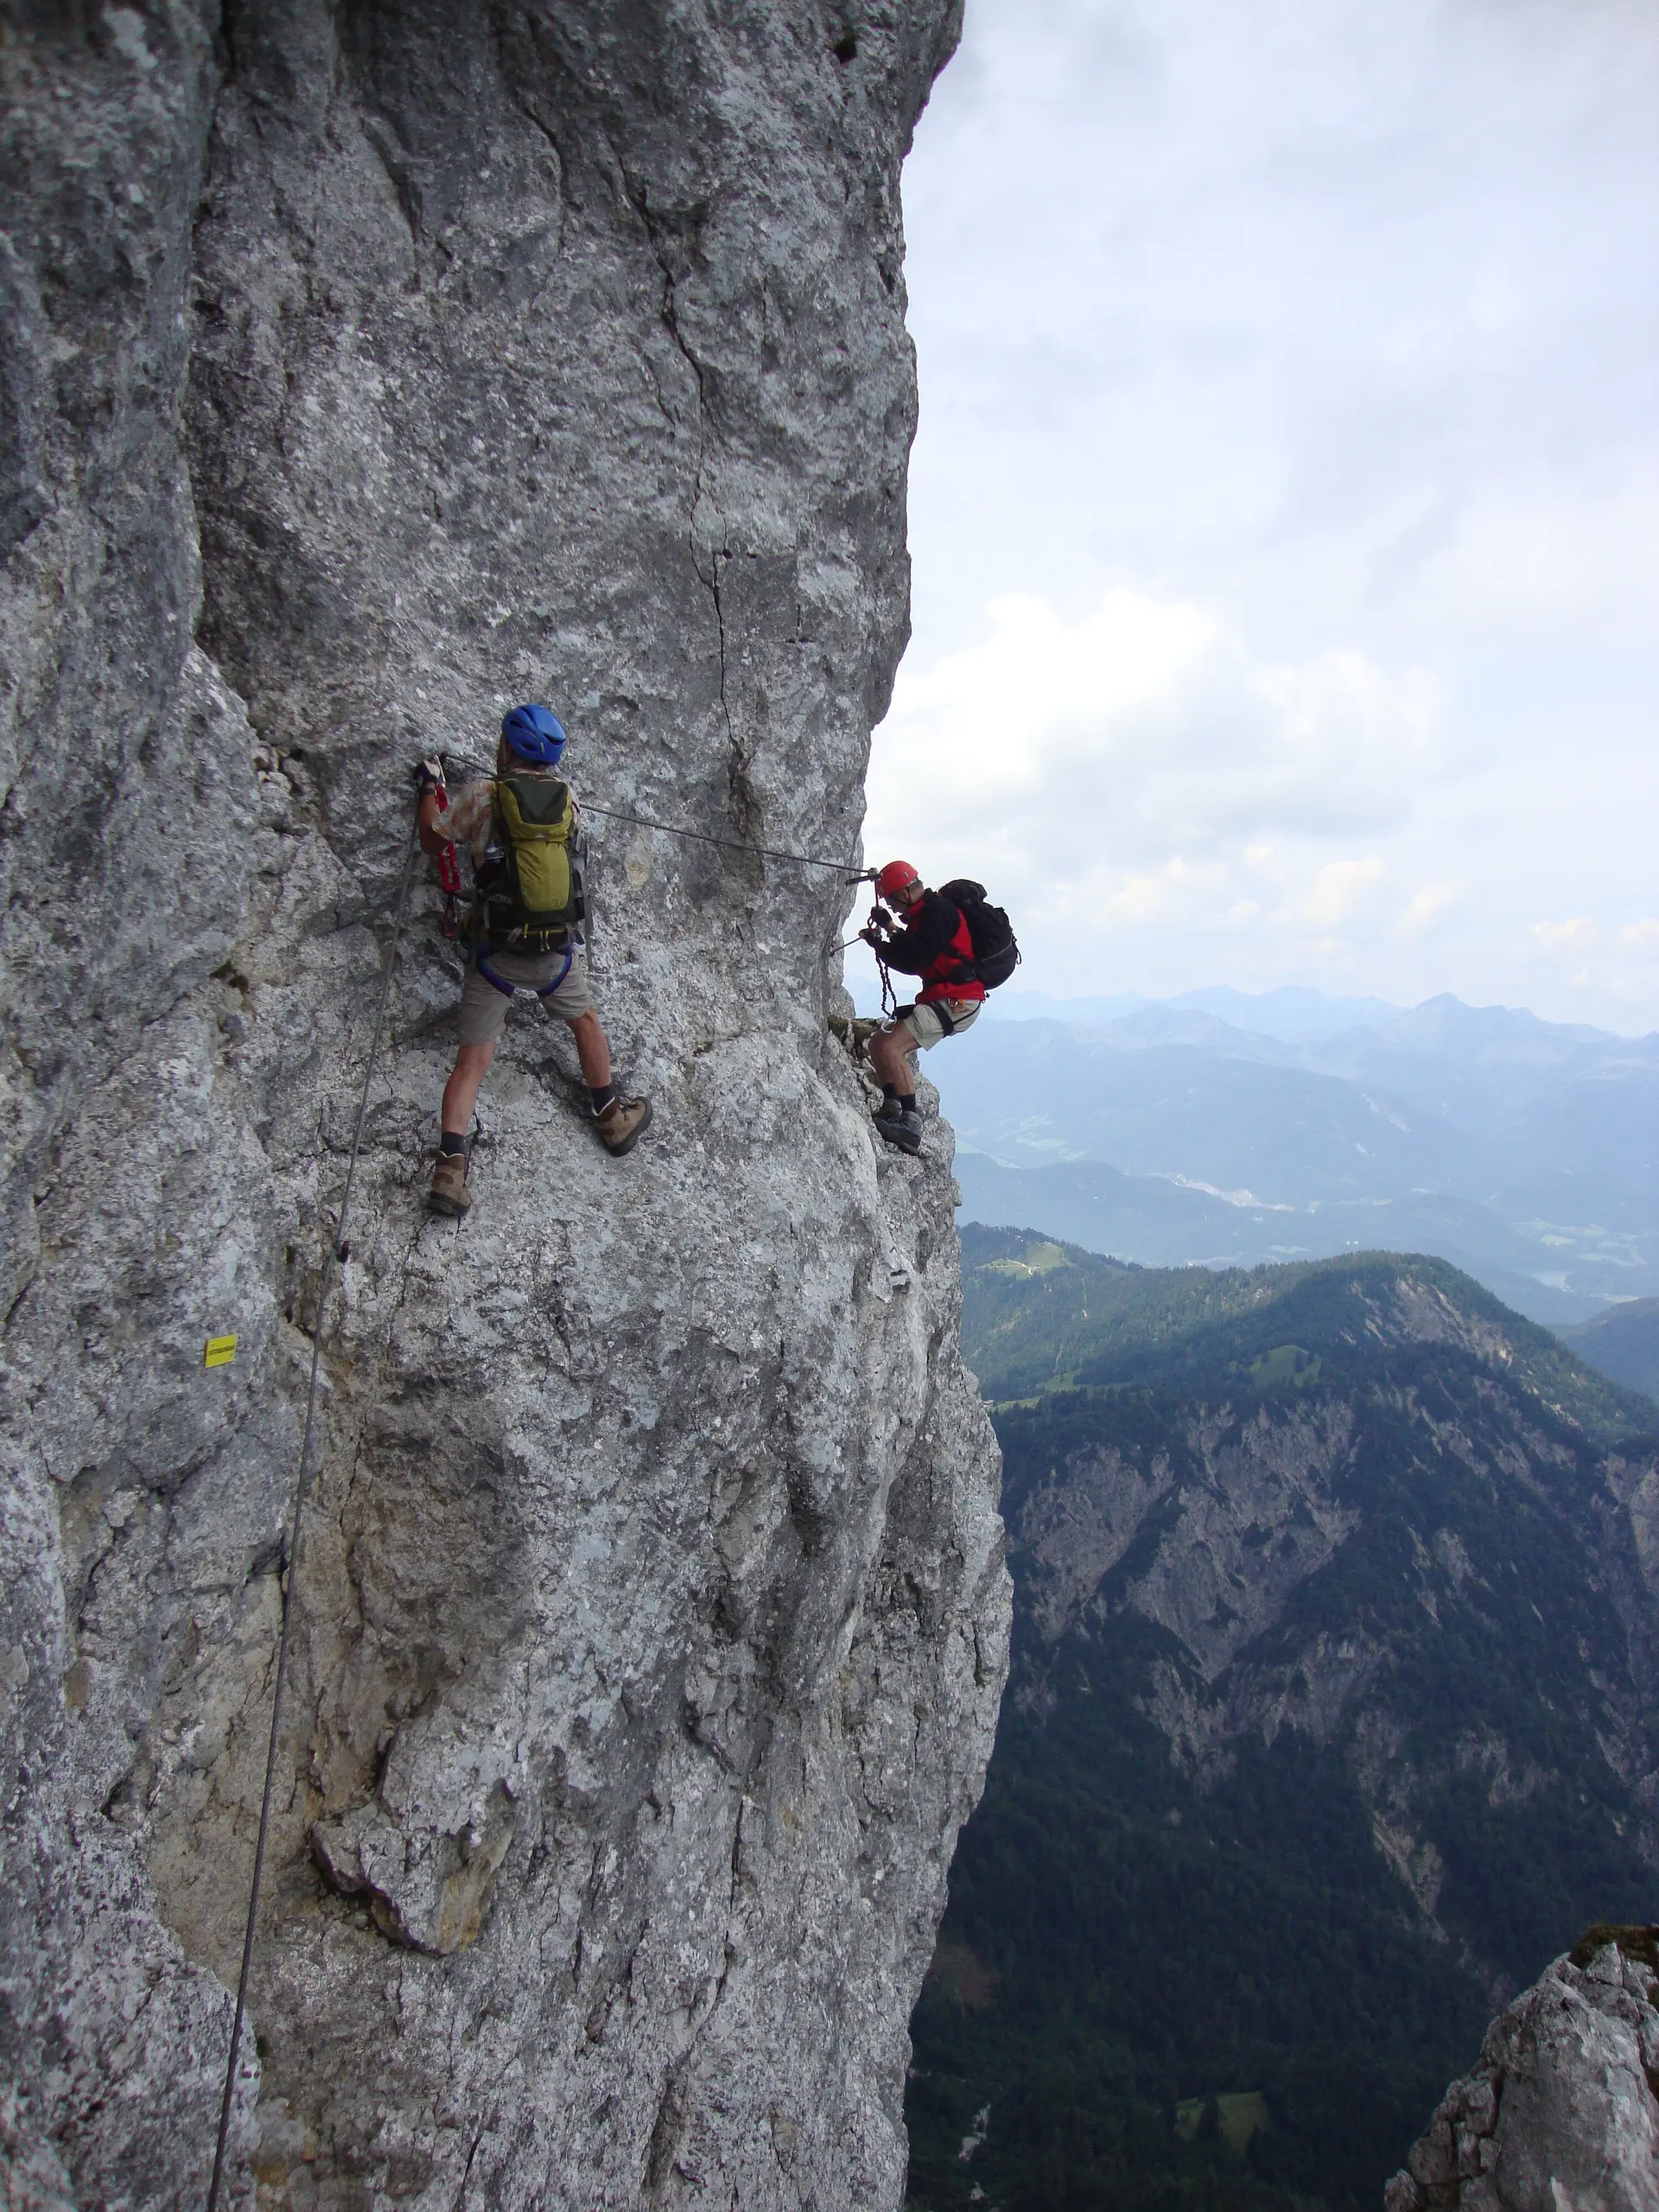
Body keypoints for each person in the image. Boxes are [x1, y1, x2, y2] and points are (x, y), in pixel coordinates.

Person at [416, 703, 652, 1217]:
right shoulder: (569, 802)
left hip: (494, 953)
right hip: (552, 953)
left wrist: (427, 788)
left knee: (473, 1061)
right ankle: (611, 1117)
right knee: (585, 1022)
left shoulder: (482, 796)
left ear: (506, 747)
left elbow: (432, 838)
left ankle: (450, 1172)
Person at [859, 860, 985, 1154]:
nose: (894, 908)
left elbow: (918, 958)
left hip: (958, 1000)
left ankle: (910, 1125)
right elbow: (911, 958)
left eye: (892, 902)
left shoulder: (937, 912)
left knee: (892, 1047)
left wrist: (888, 929)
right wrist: (881, 942)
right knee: (878, 1043)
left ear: (903, 894)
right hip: (947, 997)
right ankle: (892, 1107)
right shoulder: (922, 916)